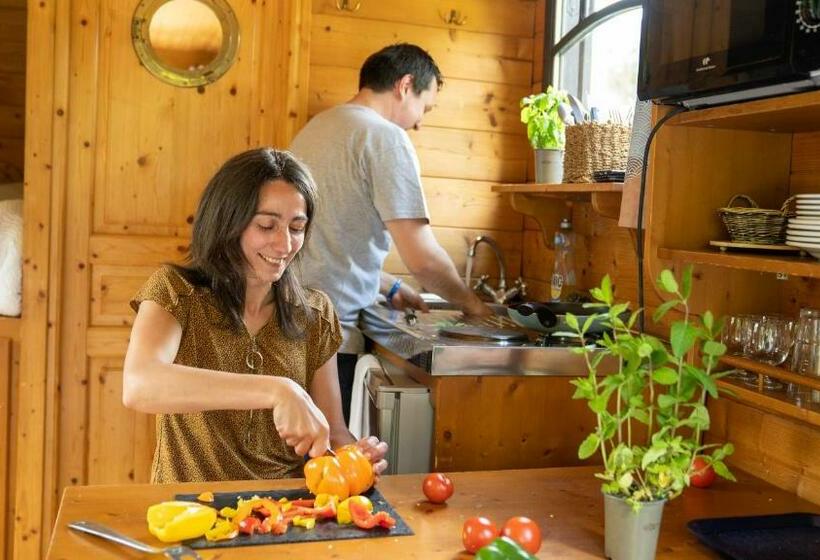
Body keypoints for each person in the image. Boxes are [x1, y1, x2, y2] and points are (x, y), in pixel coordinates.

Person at [122, 148, 387, 483]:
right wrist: (278, 391)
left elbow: (334, 435)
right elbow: (139, 385)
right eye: (266, 225)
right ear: (227, 222)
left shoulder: (315, 314)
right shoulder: (177, 292)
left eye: (296, 227)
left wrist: (354, 462)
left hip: (283, 512)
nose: (285, 244)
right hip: (187, 510)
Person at [289, 43, 491, 422]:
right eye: (424, 108)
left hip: (288, 323)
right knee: (328, 467)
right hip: (328, 340)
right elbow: (423, 259)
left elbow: (327, 239)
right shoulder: (385, 137)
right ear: (405, 85)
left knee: (298, 465)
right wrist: (473, 305)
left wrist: (390, 287)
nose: (419, 123)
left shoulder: (318, 128)